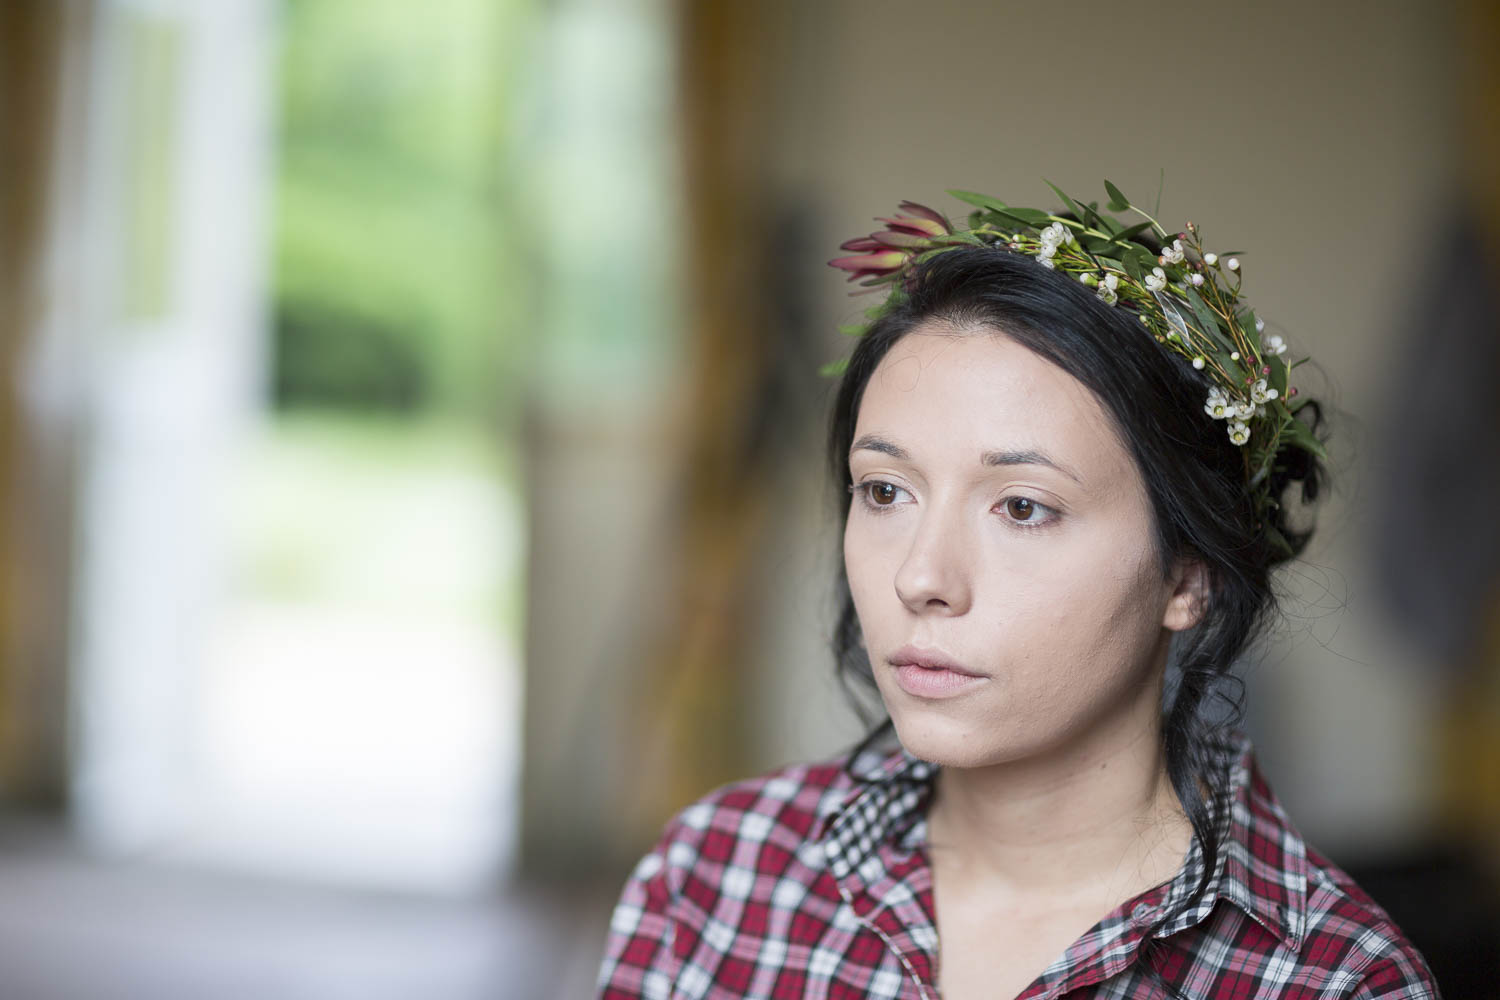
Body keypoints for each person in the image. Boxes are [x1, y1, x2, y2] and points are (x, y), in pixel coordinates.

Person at [594, 183, 1440, 999]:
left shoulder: (1333, 978)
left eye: (1023, 508)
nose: (920, 577)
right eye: (886, 491)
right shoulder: (713, 881)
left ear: (1187, 575)